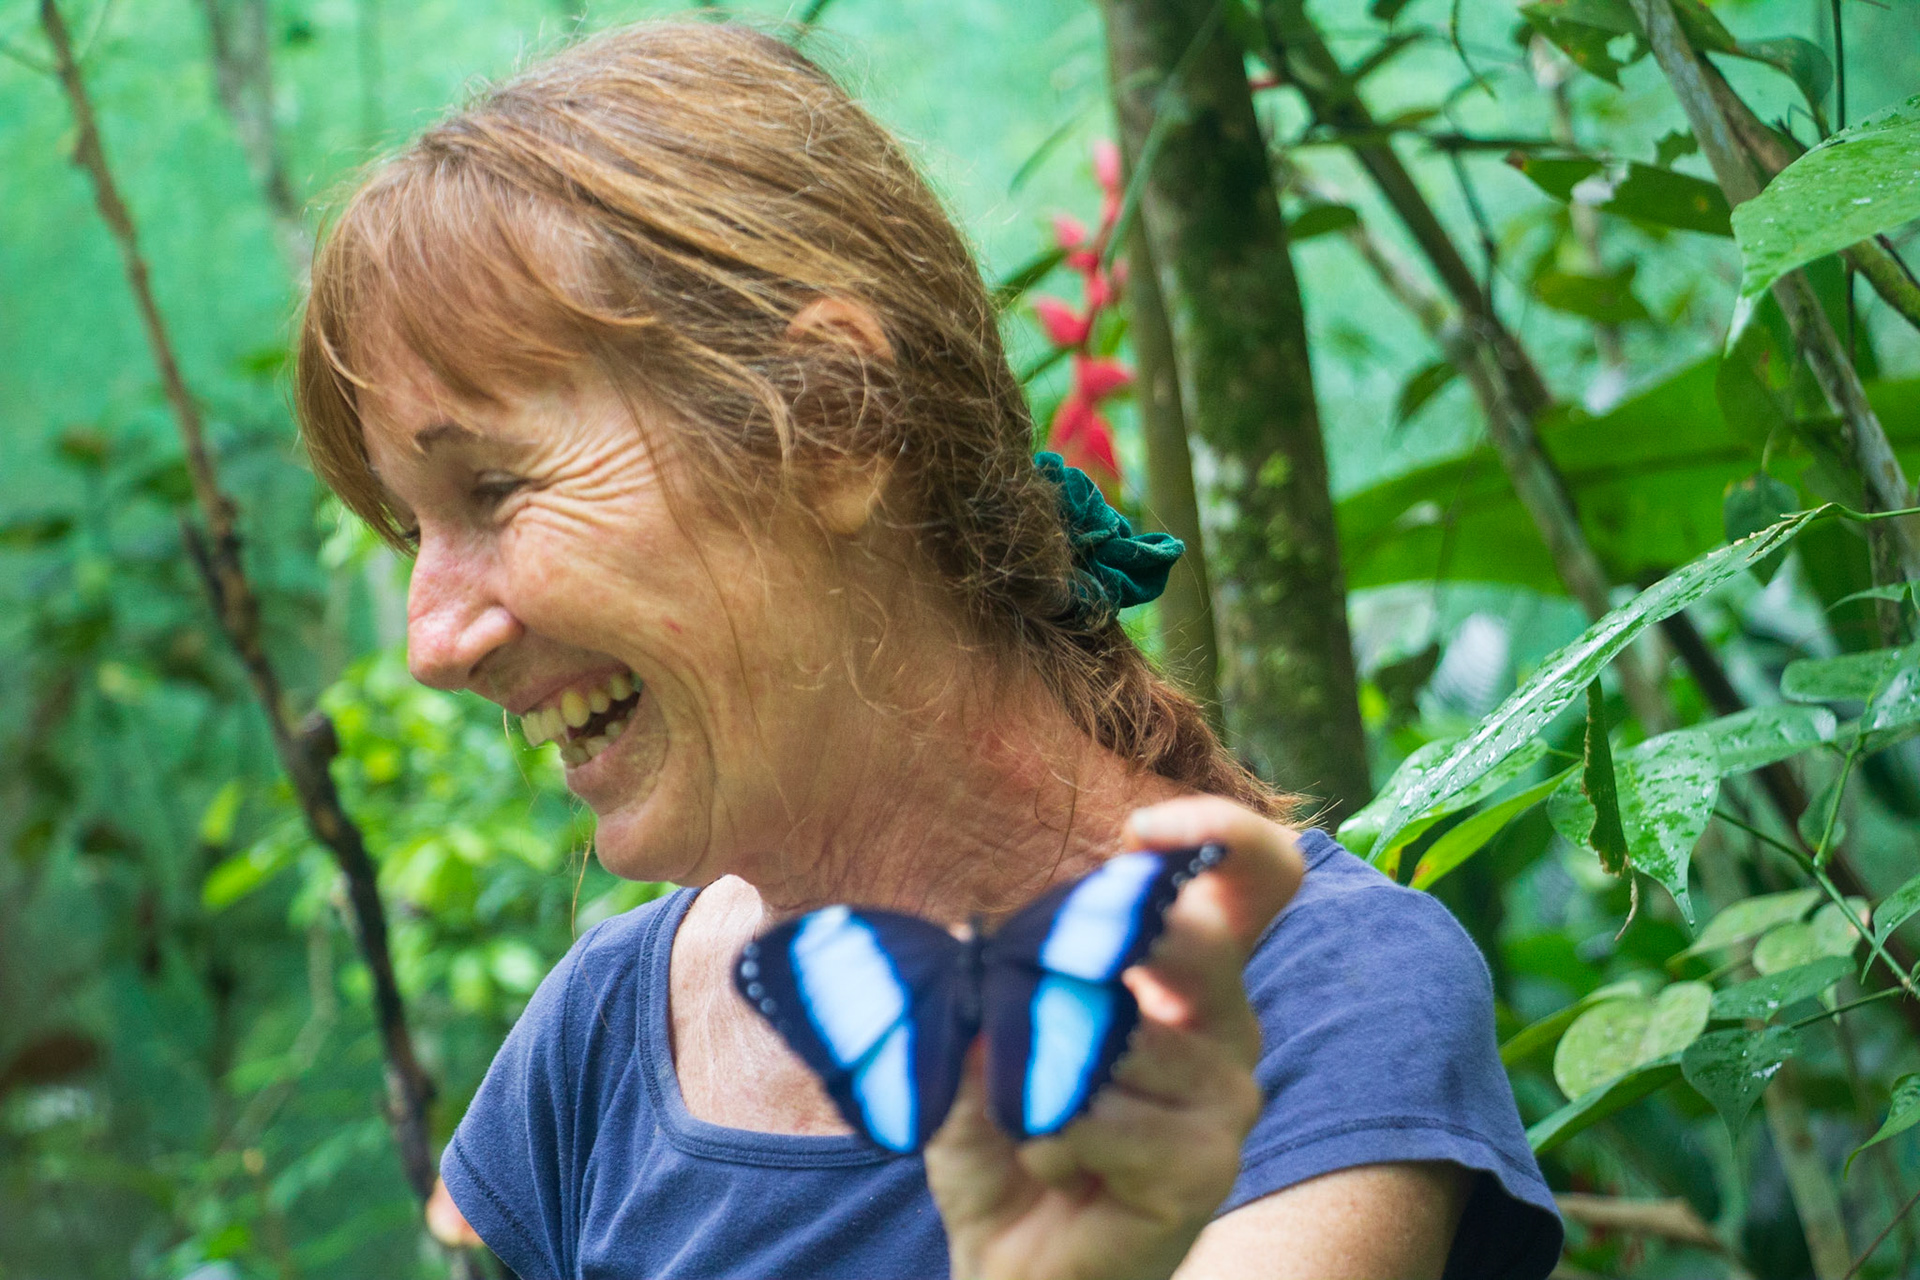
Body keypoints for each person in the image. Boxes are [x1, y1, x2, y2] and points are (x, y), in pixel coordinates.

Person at [296, 20, 1561, 1280]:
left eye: (497, 488)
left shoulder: (1312, 1001)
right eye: (412, 528)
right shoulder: (604, 1032)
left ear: (836, 420)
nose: (431, 637)